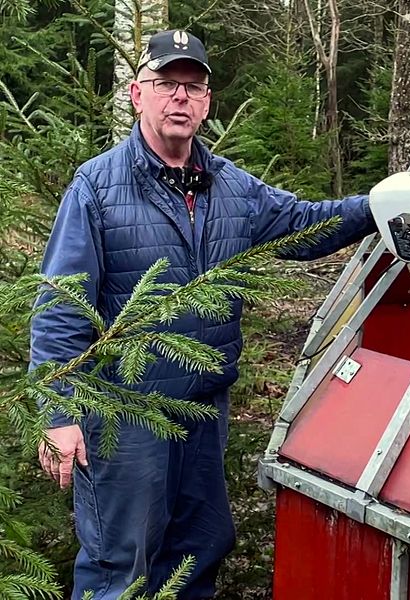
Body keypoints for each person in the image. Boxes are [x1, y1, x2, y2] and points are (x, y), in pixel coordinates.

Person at [30, 29, 377, 599]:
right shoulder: (97, 186)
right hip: (124, 417)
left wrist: (376, 206)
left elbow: (304, 225)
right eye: (167, 84)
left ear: (207, 103)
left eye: (194, 88)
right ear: (138, 94)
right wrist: (60, 413)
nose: (180, 98)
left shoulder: (230, 186)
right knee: (121, 567)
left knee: (195, 560)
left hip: (202, 413)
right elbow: (60, 308)